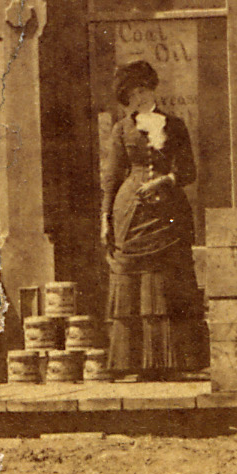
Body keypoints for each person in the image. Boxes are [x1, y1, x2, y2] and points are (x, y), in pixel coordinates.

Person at [98, 62, 208, 381]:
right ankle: (132, 364)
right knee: (131, 278)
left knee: (168, 277)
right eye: (127, 96)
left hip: (168, 213)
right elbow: (112, 176)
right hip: (129, 214)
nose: (131, 100)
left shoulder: (175, 125)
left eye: (134, 93)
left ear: (146, 90)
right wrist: (105, 218)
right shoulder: (121, 129)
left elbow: (188, 172)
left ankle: (173, 363)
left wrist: (163, 181)